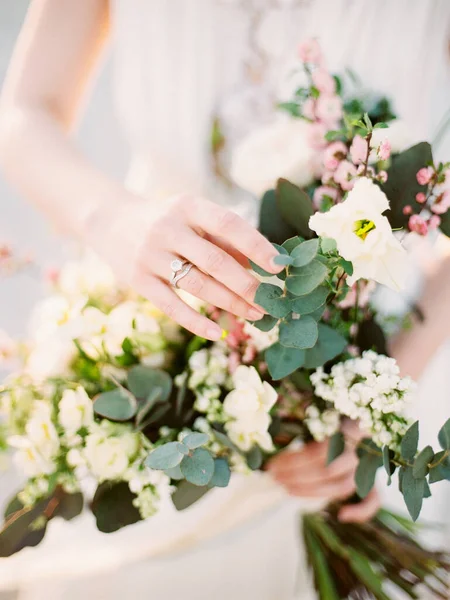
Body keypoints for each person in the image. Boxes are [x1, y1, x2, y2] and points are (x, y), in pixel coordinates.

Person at [0, 1, 448, 599]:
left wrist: (377, 391)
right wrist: (112, 219)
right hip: (147, 365)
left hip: (369, 381)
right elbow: (27, 109)